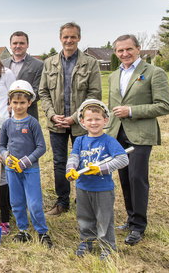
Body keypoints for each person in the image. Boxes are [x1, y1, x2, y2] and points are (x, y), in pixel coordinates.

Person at [107, 34, 169, 245]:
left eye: (128, 49)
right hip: (117, 134)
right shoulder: (112, 76)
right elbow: (112, 106)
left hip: (141, 135)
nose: (124, 54)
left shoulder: (154, 73)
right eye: (120, 51)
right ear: (116, 53)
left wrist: (131, 111)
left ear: (138, 49)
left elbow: (164, 105)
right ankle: (130, 217)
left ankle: (138, 226)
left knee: (137, 179)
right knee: (124, 178)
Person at [38, 22, 102, 216]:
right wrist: (51, 114)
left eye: (73, 37)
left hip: (81, 125)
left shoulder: (90, 63)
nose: (69, 40)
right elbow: (43, 91)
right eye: (65, 37)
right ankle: (62, 202)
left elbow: (94, 94)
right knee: (59, 162)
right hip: (56, 124)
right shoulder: (49, 63)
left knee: (84, 161)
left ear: (79, 38)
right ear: (60, 38)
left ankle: (84, 201)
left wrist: (75, 117)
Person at [66, 99, 129, 260]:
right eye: (89, 119)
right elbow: (74, 157)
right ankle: (86, 241)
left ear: (105, 120)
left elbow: (123, 159)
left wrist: (100, 168)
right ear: (82, 122)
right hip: (82, 187)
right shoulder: (80, 140)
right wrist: (71, 169)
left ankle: (107, 247)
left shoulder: (109, 141)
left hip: (103, 189)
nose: (93, 123)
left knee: (104, 219)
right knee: (84, 217)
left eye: (97, 119)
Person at [0, 80, 52, 247]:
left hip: (30, 170)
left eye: (22, 102)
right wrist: (5, 156)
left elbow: (41, 147)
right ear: (10, 102)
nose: (19, 106)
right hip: (11, 169)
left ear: (30, 103)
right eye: (15, 102)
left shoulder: (32, 123)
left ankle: (42, 232)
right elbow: (1, 145)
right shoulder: (7, 124)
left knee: (34, 203)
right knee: (16, 202)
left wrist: (26, 161)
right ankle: (23, 230)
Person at [3, 31, 44, 120]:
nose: (18, 46)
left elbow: (37, 91)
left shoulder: (38, 65)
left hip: (28, 115)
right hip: (5, 113)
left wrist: (17, 105)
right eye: (15, 43)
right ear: (10, 45)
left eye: (21, 43)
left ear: (27, 45)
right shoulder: (2, 64)